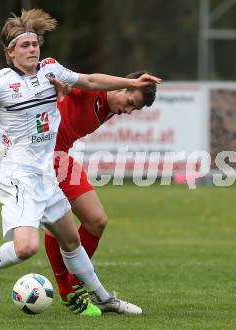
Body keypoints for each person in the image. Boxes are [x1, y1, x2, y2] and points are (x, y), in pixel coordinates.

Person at [0, 9, 161, 316]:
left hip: (47, 173)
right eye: (24, 46)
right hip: (19, 174)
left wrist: (133, 82)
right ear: (10, 52)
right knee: (26, 248)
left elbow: (91, 79)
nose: (32, 49)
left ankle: (104, 299)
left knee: (72, 241)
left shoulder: (50, 70)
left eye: (35, 44)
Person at [45, 73, 157, 312]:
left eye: (134, 109)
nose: (127, 111)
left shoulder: (110, 106)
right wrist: (57, 86)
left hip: (62, 157)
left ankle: (76, 283)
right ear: (122, 88)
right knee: (57, 224)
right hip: (44, 158)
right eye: (129, 103)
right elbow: (83, 80)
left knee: (96, 221)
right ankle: (68, 289)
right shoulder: (91, 91)